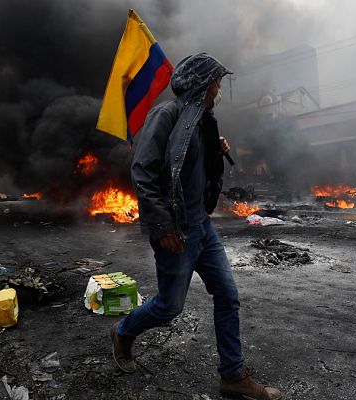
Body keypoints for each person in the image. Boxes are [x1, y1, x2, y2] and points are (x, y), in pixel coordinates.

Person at [110, 54, 282, 400]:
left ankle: (232, 377)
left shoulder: (203, 122)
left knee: (228, 296)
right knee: (168, 307)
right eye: (216, 81)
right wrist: (161, 225)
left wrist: (215, 151)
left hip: (202, 227)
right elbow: (143, 170)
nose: (219, 88)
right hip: (177, 230)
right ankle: (123, 332)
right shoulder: (166, 115)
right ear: (202, 83)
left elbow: (193, 167)